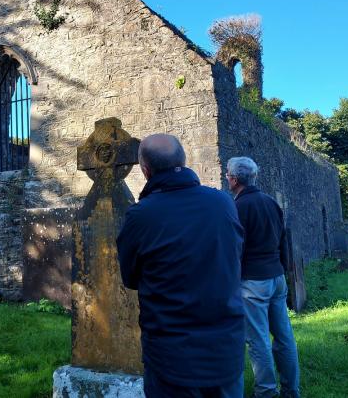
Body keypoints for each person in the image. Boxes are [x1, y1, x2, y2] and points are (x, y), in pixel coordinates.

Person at [116, 134, 246, 398]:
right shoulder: (223, 203)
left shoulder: (141, 215)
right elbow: (234, 256)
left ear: (145, 170)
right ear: (184, 162)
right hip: (224, 346)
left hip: (171, 355)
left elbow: (130, 278)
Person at [226, 157, 300, 398]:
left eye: (228, 175)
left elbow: (235, 249)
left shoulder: (237, 207)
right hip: (276, 277)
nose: (227, 178)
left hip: (252, 282)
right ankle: (291, 391)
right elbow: (282, 240)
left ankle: (267, 393)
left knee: (258, 341)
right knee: (284, 337)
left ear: (235, 179)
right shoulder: (270, 202)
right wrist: (284, 270)